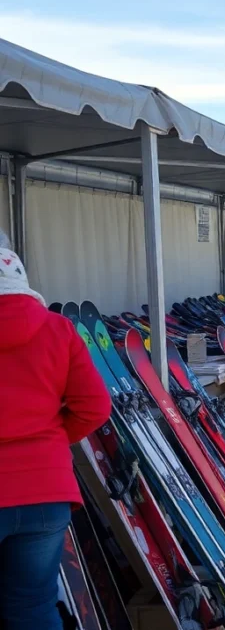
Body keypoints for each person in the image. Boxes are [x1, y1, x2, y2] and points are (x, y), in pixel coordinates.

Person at [0, 230, 113, 630]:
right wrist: (48, 442)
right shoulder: (59, 330)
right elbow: (96, 407)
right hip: (47, 491)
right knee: (33, 608)